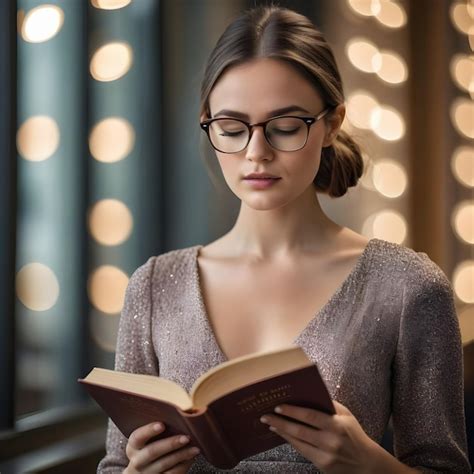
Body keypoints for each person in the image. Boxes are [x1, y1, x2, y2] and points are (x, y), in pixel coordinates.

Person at [97, 5, 471, 473]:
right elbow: (115, 466)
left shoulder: (407, 287)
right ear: (208, 123)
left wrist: (371, 466)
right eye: (231, 129)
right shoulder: (155, 286)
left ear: (332, 123)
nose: (256, 153)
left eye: (286, 127)